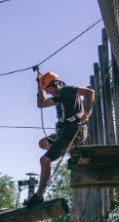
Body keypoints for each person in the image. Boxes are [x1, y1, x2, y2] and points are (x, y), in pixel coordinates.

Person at [29, 71, 96, 205]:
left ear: (54, 84)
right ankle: (66, 149)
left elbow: (90, 92)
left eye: (48, 90)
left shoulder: (68, 90)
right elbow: (40, 104)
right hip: (64, 132)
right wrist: (39, 86)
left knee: (45, 160)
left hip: (75, 131)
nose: (48, 93)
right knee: (42, 143)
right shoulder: (59, 96)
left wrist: (87, 112)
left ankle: (38, 195)